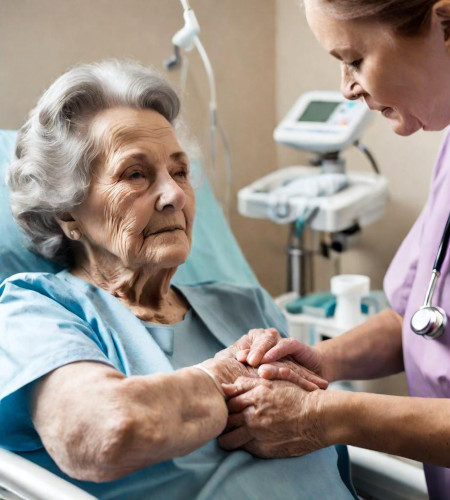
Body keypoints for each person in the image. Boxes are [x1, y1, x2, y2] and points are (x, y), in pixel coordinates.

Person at [0, 60, 355, 500]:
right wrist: (226, 375)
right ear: (67, 211)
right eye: (136, 174)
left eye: (180, 172)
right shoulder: (33, 310)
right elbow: (105, 433)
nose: (173, 196)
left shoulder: (248, 307)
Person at [218, 0, 450, 498]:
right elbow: (419, 316)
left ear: (447, 24)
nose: (346, 89)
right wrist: (321, 363)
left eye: (353, 59)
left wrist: (330, 416)